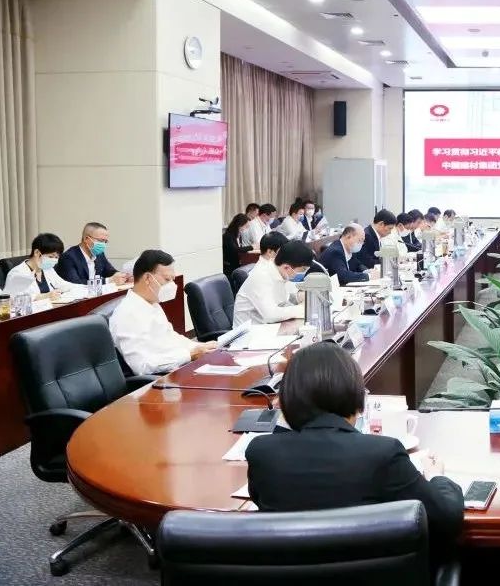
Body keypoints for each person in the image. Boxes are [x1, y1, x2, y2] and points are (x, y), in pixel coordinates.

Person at [245, 342, 463, 562]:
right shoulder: (383, 453)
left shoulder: (262, 453)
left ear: (286, 399)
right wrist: (438, 477)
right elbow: (446, 519)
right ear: (356, 397)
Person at [109, 250, 217, 375]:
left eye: (172, 280)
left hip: (177, 368)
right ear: (147, 278)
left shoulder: (152, 303)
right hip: (160, 379)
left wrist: (200, 347)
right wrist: (189, 354)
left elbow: (171, 337)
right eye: (167, 280)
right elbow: (142, 366)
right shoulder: (127, 314)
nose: (172, 285)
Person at [232, 240, 313, 327]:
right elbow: (270, 315)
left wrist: (301, 296)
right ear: (287, 267)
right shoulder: (261, 276)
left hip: (267, 327)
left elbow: (287, 295)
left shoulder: (279, 272)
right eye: (303, 269)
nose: (303, 273)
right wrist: (301, 309)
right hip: (250, 331)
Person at [3, 233, 77, 300]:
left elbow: (64, 285)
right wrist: (45, 296)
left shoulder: (48, 269)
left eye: (56, 257)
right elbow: (13, 299)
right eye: (51, 257)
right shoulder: (17, 273)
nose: (54, 260)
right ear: (37, 252)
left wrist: (82, 288)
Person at [54, 222, 130, 286]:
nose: (103, 244)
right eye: (101, 240)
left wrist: (123, 276)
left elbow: (110, 271)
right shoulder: (68, 257)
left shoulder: (99, 254)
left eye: (105, 241)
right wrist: (108, 281)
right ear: (86, 239)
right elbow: (75, 283)